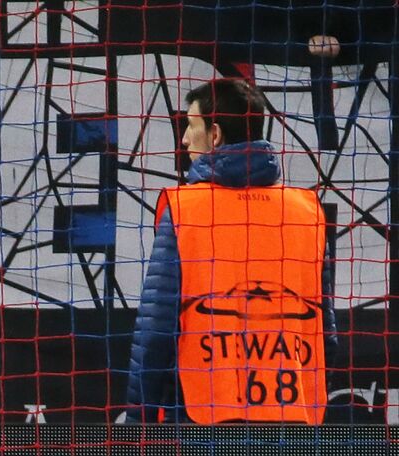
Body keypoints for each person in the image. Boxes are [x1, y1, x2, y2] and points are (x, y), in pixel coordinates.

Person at [126, 78, 335, 424]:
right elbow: (325, 330)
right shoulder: (307, 210)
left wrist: (138, 417)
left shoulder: (185, 209)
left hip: (201, 416)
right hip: (292, 414)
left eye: (191, 126)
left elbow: (155, 331)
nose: (184, 139)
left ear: (216, 134)